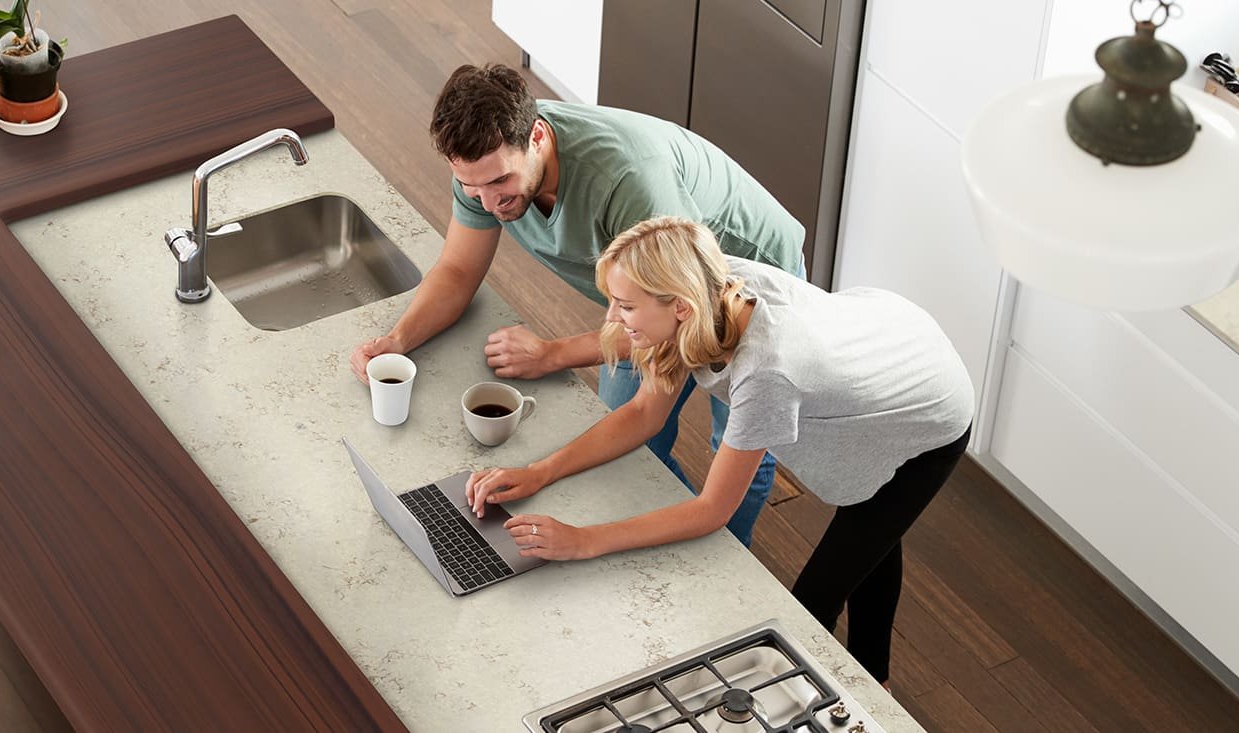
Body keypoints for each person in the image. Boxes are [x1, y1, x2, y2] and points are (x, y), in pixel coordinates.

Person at [462, 216, 974, 687]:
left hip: (926, 406)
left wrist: (584, 541)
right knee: (872, 525)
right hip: (881, 337)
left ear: (678, 307)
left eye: (626, 305)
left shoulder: (766, 371)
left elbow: (711, 510)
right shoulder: (704, 281)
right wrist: (538, 472)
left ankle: (864, 695)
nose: (613, 322)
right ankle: (876, 678)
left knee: (812, 604)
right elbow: (644, 414)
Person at [349, 63, 806, 546]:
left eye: (498, 182)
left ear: (539, 138)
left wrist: (553, 353)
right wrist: (397, 341)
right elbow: (460, 271)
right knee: (624, 431)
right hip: (646, 302)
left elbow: (680, 312)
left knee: (734, 445)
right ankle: (686, 530)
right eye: (470, 186)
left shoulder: (629, 182)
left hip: (738, 287)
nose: (485, 203)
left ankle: (725, 561)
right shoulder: (482, 168)